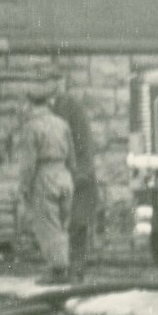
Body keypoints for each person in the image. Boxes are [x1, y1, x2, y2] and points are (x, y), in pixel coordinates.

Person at [14, 79, 76, 285]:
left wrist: (24, 186)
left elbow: (28, 163)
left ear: (30, 103)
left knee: (47, 224)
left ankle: (58, 270)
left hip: (44, 175)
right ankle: (64, 265)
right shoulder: (62, 124)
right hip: (63, 174)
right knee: (62, 222)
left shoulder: (31, 127)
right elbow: (72, 157)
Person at [51, 75, 100, 282]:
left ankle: (75, 269)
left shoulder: (69, 106)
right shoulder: (56, 106)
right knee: (63, 222)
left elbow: (80, 142)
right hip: (68, 171)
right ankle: (65, 269)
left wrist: (80, 172)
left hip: (78, 172)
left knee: (76, 222)